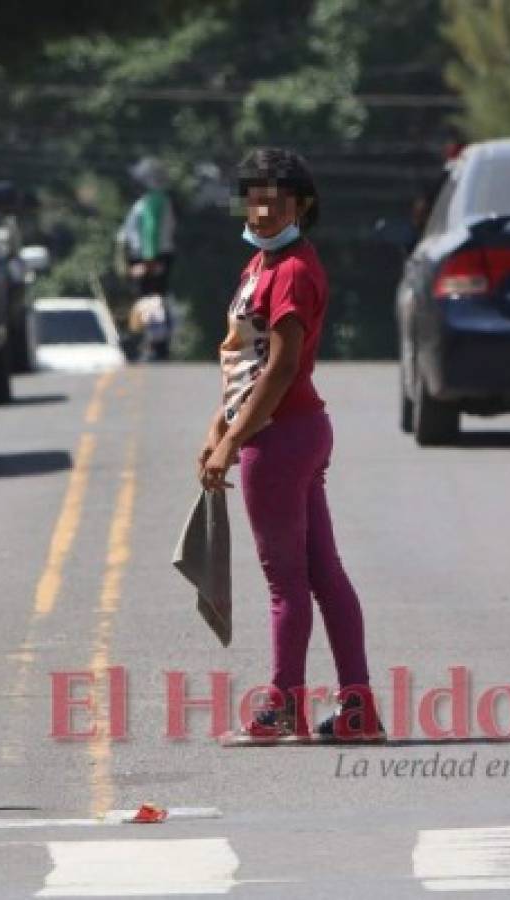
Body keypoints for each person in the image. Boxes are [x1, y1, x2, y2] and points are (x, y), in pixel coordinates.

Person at [198, 147, 383, 740]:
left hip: (281, 438)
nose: (261, 210)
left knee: (288, 582)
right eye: (252, 197)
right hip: (282, 431)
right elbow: (244, 362)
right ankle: (357, 710)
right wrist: (217, 429)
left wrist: (233, 442)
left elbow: (280, 369)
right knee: (321, 573)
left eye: (275, 199)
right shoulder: (257, 268)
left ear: (301, 203)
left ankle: (283, 704)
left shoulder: (294, 270)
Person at [118, 157, 176, 360]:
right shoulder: (154, 200)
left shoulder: (153, 201)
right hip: (150, 257)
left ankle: (155, 346)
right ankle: (154, 343)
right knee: (152, 301)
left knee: (151, 301)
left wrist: (148, 261)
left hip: (151, 258)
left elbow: (150, 231)